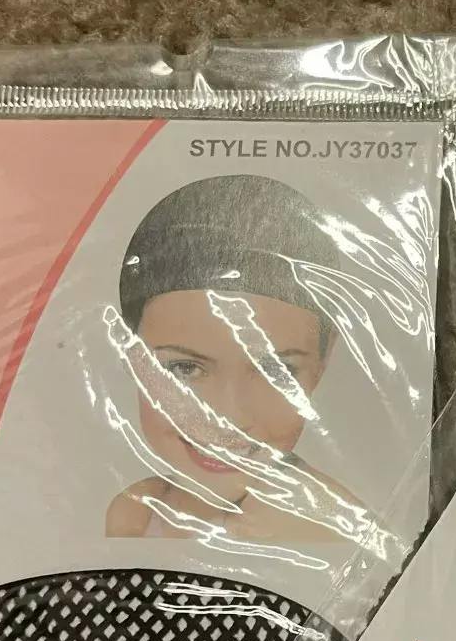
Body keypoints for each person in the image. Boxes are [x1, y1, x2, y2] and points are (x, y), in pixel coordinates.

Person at [106, 174, 363, 545]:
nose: (227, 417)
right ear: (132, 355)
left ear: (322, 363)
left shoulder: (335, 532)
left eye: (275, 371)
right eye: (185, 368)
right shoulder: (135, 512)